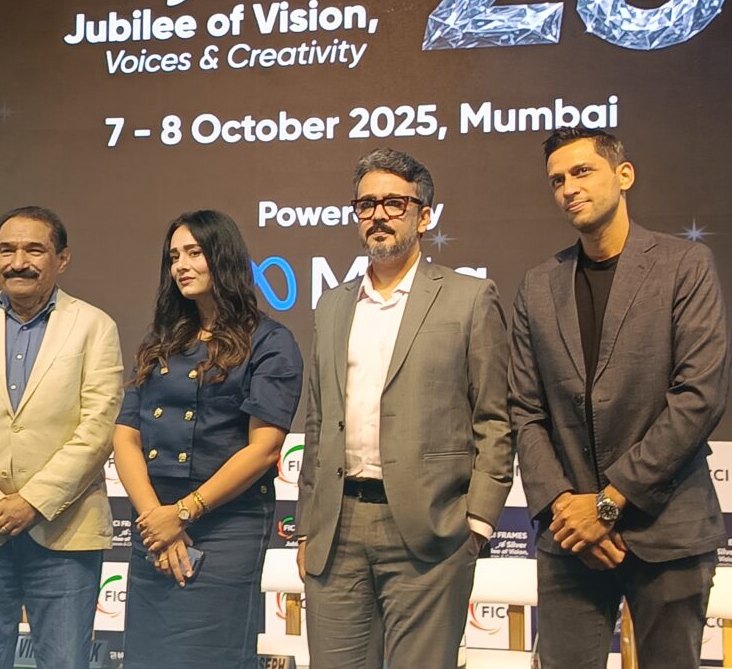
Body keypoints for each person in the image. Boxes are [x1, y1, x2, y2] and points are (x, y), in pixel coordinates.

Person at [509, 127, 728, 668]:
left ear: (623, 175)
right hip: (570, 539)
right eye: (557, 180)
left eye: (582, 171)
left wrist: (607, 505)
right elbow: (526, 411)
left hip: (668, 531)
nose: (568, 188)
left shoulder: (684, 265)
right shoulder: (538, 285)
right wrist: (564, 509)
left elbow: (698, 396)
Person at [297, 147, 513, 669]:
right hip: (337, 530)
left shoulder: (469, 298)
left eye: (395, 203)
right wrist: (307, 526)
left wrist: (477, 524)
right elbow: (318, 420)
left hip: (431, 532)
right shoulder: (332, 305)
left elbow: (494, 418)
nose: (379, 215)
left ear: (424, 216)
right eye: (366, 204)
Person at [0, 206, 123, 669]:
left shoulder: (95, 326)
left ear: (62, 259)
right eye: (6, 250)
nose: (18, 262)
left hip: (65, 530)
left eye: (34, 250)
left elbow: (98, 428)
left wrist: (33, 501)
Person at [113, 209, 303, 669]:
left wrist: (182, 513)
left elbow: (264, 449)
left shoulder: (270, 342)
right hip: (154, 525)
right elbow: (125, 436)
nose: (181, 265)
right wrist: (156, 520)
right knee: (146, 658)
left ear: (223, 257)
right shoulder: (160, 340)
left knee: (210, 656)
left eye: (194, 253)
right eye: (174, 256)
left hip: (226, 524)